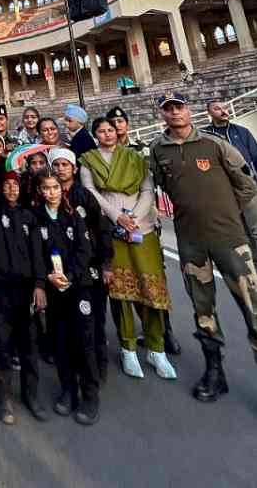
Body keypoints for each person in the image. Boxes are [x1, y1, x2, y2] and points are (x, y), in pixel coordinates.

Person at [149, 91, 257, 402]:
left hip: (230, 239)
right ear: (162, 114)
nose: (174, 113)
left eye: (179, 107)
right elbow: (160, 184)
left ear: (189, 109)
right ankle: (215, 371)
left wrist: (226, 212)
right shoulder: (158, 149)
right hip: (191, 241)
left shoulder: (214, 144)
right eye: (168, 109)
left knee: (254, 306)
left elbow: (246, 183)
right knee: (203, 309)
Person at [80, 117, 176, 381]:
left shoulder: (134, 157)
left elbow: (147, 189)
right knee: (121, 292)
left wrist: (134, 216)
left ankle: (157, 348)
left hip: (141, 227)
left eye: (110, 129)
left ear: (117, 131)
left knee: (151, 287)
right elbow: (90, 191)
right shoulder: (88, 160)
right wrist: (117, 217)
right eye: (101, 131)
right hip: (111, 227)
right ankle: (128, 346)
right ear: (95, 135)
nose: (107, 134)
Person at [34, 169, 100, 426]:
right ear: (40, 191)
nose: (52, 192)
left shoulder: (74, 216)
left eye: (56, 187)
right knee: (60, 340)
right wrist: (46, 278)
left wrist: (70, 275)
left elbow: (85, 251)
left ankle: (90, 394)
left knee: (84, 340)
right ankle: (67, 389)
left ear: (62, 189)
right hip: (53, 288)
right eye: (46, 188)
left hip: (78, 286)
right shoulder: (37, 218)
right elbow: (36, 254)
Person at [0, 168, 48, 424]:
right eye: (6, 185)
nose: (11, 189)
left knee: (29, 347)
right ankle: (4, 399)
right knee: (1, 346)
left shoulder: (29, 217)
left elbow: (38, 254)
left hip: (25, 290)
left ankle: (31, 396)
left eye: (15, 185)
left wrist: (40, 285)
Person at [47, 149, 113, 382]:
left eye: (65, 164)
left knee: (94, 320)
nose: (61, 169)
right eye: (57, 165)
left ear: (74, 168)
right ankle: (70, 370)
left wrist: (106, 263)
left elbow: (102, 229)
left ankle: (98, 366)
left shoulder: (84, 196)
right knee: (64, 322)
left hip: (89, 266)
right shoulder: (47, 197)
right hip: (61, 270)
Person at [204, 99, 257, 177]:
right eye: (217, 109)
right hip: (223, 181)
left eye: (225, 108)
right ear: (209, 113)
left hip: (247, 179)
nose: (223, 111)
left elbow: (256, 156)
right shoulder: (205, 135)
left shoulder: (242, 131)